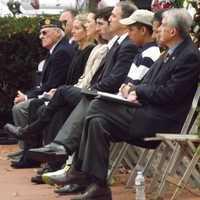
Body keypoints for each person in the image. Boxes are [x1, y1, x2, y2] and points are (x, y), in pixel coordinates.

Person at [32, 8, 200, 200]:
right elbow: (148, 83)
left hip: (160, 120)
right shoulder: (170, 51)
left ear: (172, 32)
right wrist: (131, 87)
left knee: (96, 104)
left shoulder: (189, 56)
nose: (158, 29)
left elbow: (170, 94)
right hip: (146, 112)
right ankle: (98, 187)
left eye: (162, 26)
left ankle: (70, 158)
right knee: (97, 122)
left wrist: (138, 91)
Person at [4, 14, 95, 168]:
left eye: (45, 32)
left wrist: (29, 97)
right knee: (37, 106)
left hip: (78, 95)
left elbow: (70, 81)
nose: (40, 36)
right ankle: (33, 151)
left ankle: (40, 154)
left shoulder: (66, 51)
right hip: (66, 93)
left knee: (33, 107)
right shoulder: (72, 50)